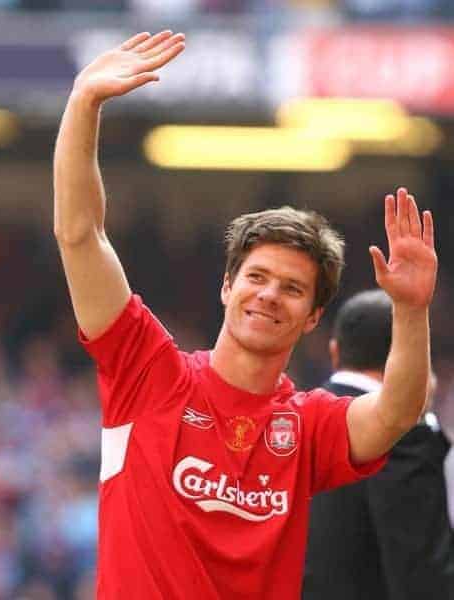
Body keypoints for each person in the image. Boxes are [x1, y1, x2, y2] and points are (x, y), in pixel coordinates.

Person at [53, 30, 438, 599]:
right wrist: (83, 104)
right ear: (227, 286)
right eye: (256, 278)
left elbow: (398, 411)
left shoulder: (308, 424)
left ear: (313, 318)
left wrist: (410, 308)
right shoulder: (148, 373)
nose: (268, 295)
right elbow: (80, 234)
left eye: (291, 288)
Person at [303, 289, 454, 600]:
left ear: (335, 352)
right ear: (408, 359)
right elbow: (421, 572)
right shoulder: (404, 433)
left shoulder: (298, 418)